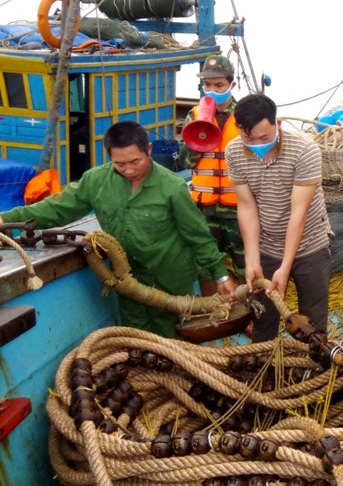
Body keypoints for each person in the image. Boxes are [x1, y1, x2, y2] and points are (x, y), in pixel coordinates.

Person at [0, 122, 235, 338]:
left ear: (149, 150)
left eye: (135, 162)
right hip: (128, 279)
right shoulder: (95, 181)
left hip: (171, 279)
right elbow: (57, 208)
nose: (129, 170)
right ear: (109, 156)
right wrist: (6, 218)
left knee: (173, 339)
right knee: (134, 337)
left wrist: (220, 275)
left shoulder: (172, 188)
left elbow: (197, 235)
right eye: (120, 164)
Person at [227, 94, 332, 342]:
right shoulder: (233, 151)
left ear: (278, 124)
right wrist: (252, 258)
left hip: (310, 244)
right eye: (248, 139)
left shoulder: (305, 150)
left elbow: (299, 211)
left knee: (313, 323)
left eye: (264, 137)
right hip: (267, 244)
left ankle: (315, 373)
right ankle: (264, 369)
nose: (257, 144)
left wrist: (285, 267)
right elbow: (247, 206)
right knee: (264, 317)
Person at [178, 55, 244, 295]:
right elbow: (185, 161)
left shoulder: (246, 114)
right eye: (207, 85)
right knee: (206, 262)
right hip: (204, 208)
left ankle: (248, 310)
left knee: (244, 262)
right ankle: (213, 308)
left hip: (238, 206)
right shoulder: (194, 115)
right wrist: (201, 133)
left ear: (231, 85)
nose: (212, 90)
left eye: (219, 86)